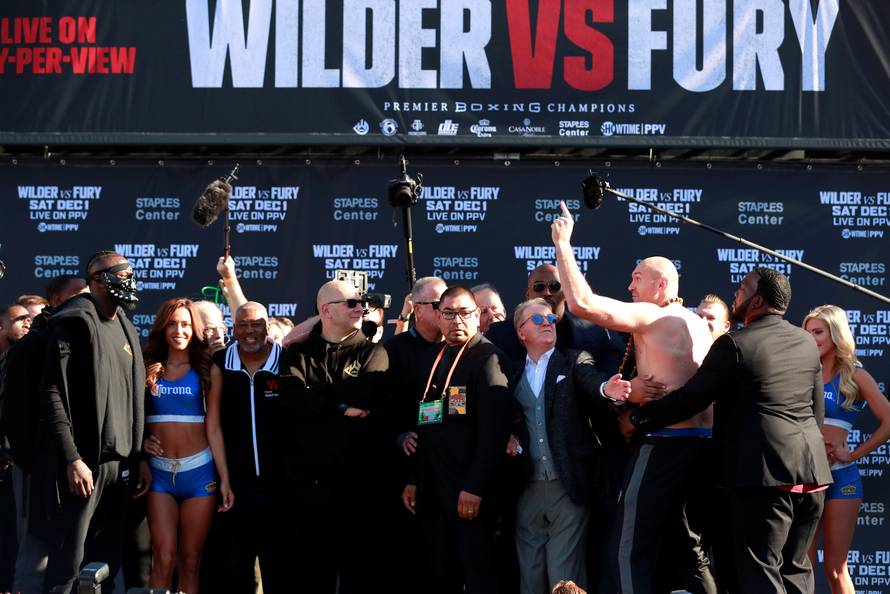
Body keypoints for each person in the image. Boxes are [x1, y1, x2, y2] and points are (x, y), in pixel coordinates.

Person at [623, 268, 833, 594]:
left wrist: (637, 418)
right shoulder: (806, 342)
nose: (736, 292)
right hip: (811, 475)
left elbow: (691, 399)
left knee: (760, 571)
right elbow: (816, 411)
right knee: (796, 570)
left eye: (743, 288)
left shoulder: (734, 344)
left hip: (763, 478)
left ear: (757, 301)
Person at [550, 202, 716, 594]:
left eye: (637, 279)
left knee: (626, 548)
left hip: (665, 444)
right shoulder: (698, 325)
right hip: (702, 446)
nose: (630, 287)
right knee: (689, 551)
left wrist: (562, 245)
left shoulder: (655, 317)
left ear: (661, 285)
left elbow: (582, 305)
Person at [37, 250, 149, 593]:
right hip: (84, 466)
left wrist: (139, 458)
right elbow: (53, 394)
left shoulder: (126, 327)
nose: (130, 282)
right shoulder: (74, 323)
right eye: (123, 275)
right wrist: (72, 458)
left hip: (122, 464)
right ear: (98, 280)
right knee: (69, 564)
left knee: (104, 565)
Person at [279, 280, 390, 593]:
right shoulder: (297, 353)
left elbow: (367, 393)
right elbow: (291, 399)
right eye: (352, 303)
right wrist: (341, 407)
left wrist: (315, 394)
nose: (360, 308)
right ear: (326, 311)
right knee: (313, 576)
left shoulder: (373, 351)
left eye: (361, 303)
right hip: (307, 486)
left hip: (359, 486)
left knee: (360, 575)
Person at [511, 298, 628, 594]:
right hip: (526, 488)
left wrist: (607, 389)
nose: (547, 323)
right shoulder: (512, 372)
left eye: (551, 318)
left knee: (565, 576)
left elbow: (592, 381)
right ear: (521, 332)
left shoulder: (574, 361)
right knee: (530, 574)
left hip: (568, 486)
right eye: (538, 319)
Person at [401, 286, 513, 594]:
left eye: (464, 313)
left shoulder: (489, 358)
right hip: (435, 491)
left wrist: (474, 487)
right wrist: (413, 479)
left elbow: (494, 434)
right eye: (449, 314)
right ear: (437, 316)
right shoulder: (433, 357)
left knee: (479, 576)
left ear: (477, 316)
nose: (457, 320)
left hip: (471, 495)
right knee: (440, 575)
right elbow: (424, 425)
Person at [140, 298, 234, 593]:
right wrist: (142, 444)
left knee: (191, 561)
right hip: (159, 476)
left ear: (195, 329)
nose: (178, 331)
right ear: (162, 327)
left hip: (200, 474)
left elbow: (214, 428)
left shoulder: (207, 370)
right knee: (163, 558)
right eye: (172, 324)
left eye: (185, 324)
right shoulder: (147, 367)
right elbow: (131, 417)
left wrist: (225, 479)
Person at [1, 276, 86, 594]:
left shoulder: (79, 339)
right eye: (78, 294)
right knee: (33, 547)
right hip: (35, 465)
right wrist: (28, 458)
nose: (86, 299)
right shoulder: (32, 347)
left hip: (71, 463)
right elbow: (15, 409)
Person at [803, 305, 890, 594]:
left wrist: (852, 455)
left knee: (835, 567)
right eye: (808, 332)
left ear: (836, 334)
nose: (812, 338)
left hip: (841, 477)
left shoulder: (855, 374)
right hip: (806, 476)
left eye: (818, 332)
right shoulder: (801, 370)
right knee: (801, 564)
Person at [210, 302, 289, 593]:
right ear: (234, 329)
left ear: (267, 327)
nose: (249, 331)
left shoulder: (288, 360)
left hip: (281, 486)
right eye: (242, 325)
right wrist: (225, 479)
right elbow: (213, 425)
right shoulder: (221, 362)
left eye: (256, 324)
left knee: (281, 569)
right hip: (237, 487)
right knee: (237, 572)